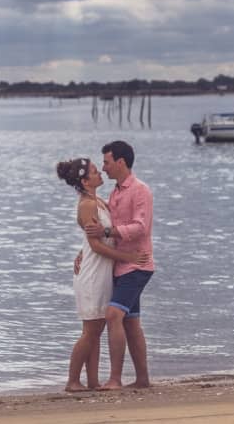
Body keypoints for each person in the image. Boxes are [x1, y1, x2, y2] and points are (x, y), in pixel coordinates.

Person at [56, 157, 149, 392]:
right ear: (85, 180)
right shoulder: (87, 204)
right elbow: (96, 245)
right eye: (95, 172)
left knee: (95, 330)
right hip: (93, 273)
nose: (100, 174)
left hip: (101, 270)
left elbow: (96, 239)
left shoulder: (96, 200)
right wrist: (127, 258)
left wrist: (82, 250)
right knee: (91, 331)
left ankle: (93, 381)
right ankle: (72, 380)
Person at [84, 140, 154, 390]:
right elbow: (99, 233)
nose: (103, 168)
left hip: (138, 264)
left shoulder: (140, 190)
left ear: (121, 162)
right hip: (119, 266)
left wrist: (108, 230)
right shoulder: (114, 194)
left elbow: (140, 227)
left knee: (113, 315)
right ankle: (143, 379)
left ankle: (115, 378)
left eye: (107, 162)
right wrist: (83, 253)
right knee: (130, 322)